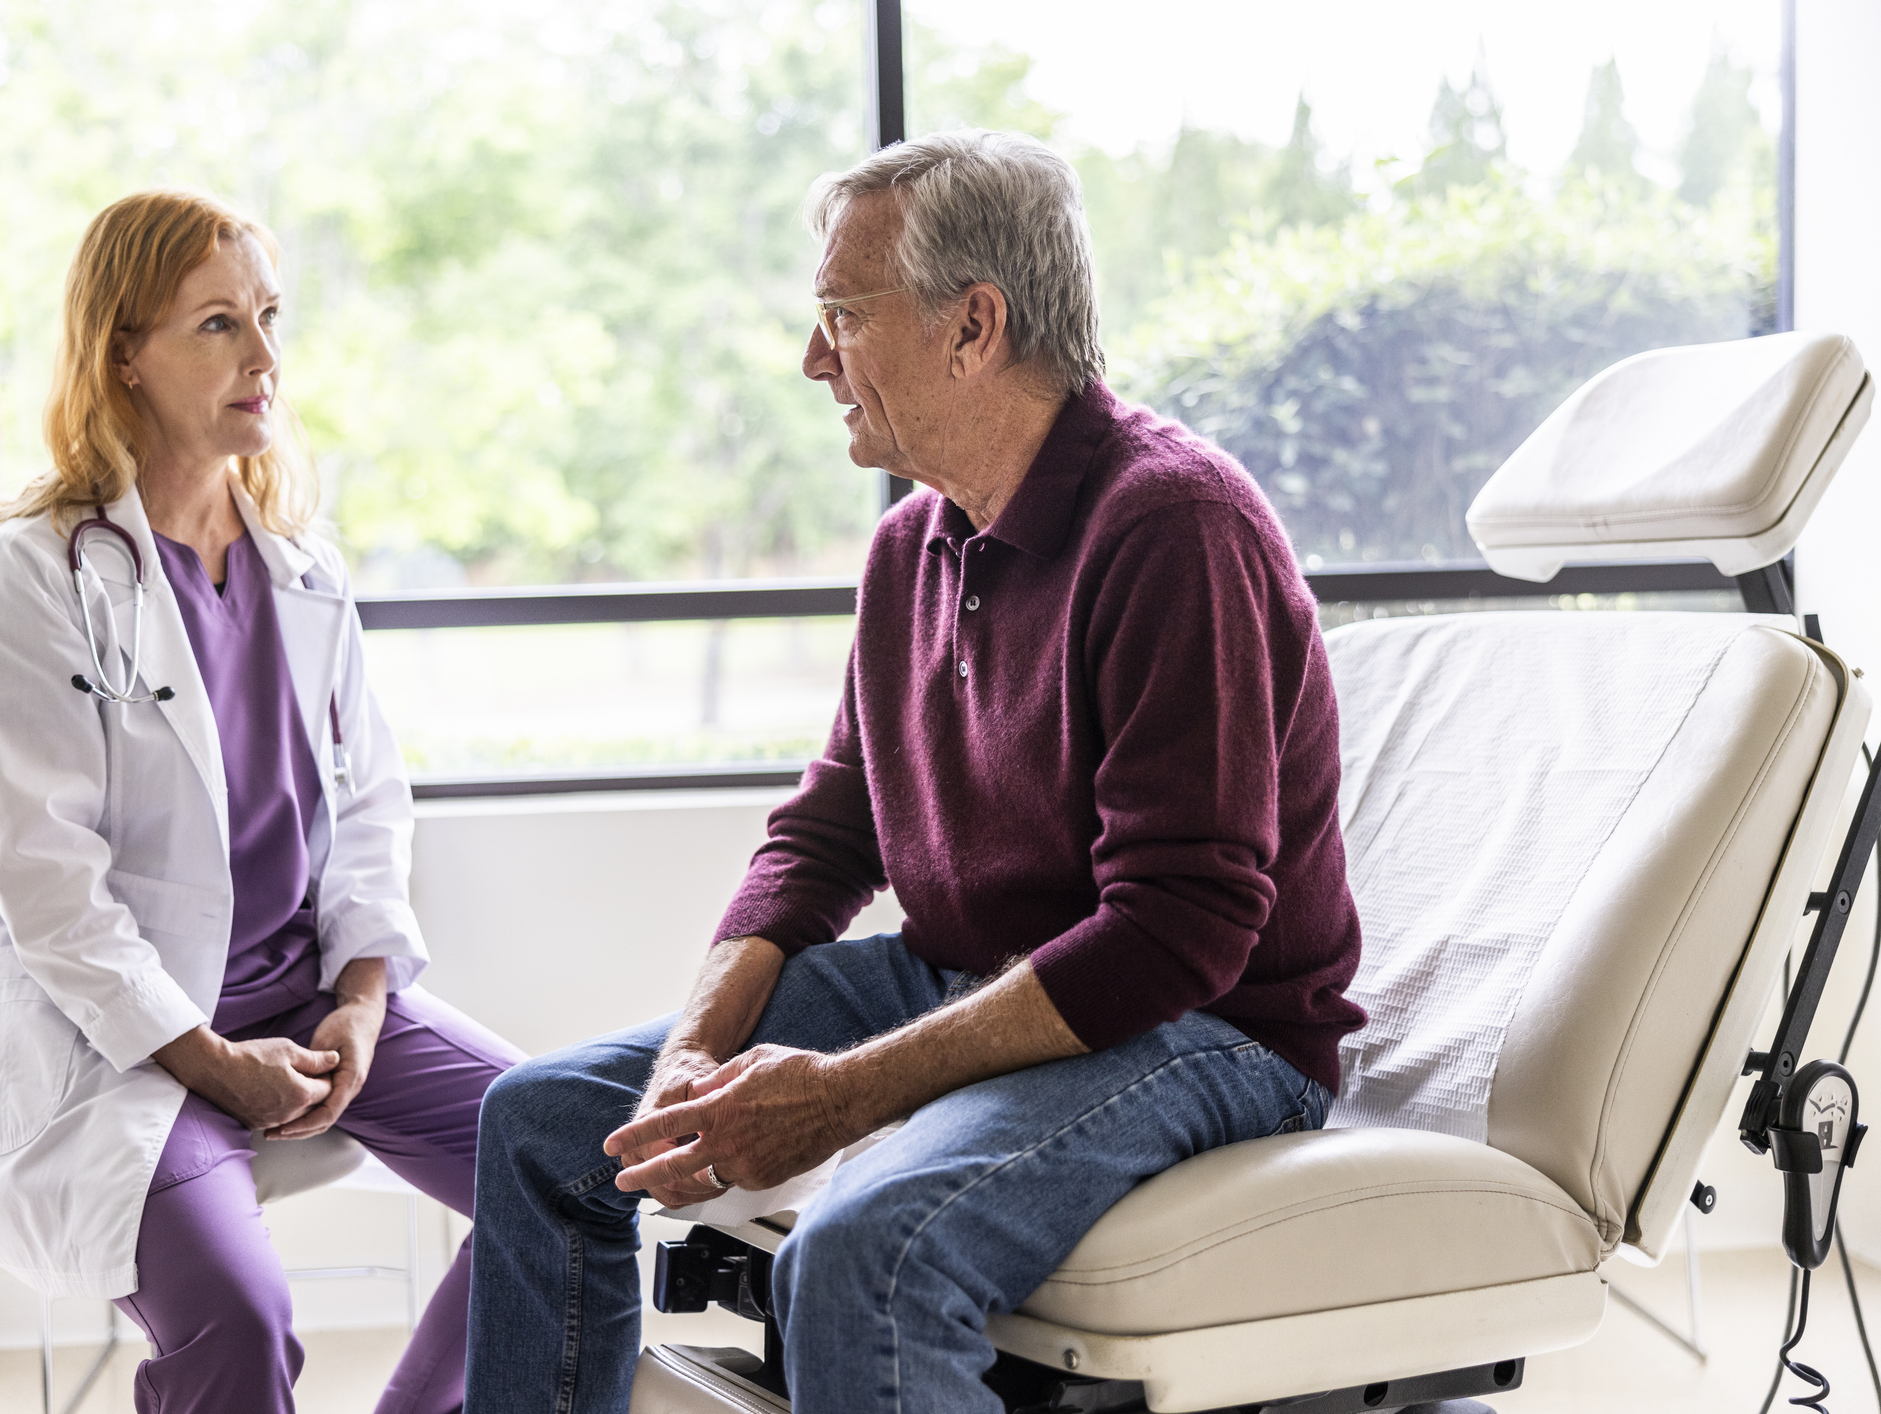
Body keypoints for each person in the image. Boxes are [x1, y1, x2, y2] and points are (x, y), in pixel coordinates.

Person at [462, 129, 1366, 1412]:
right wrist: (692, 1053)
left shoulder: (1174, 525)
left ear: (972, 325)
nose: (811, 356)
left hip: (1201, 1029)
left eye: (840, 313)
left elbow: (1179, 932)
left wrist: (839, 1097)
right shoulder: (911, 550)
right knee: (544, 1122)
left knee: (864, 1254)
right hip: (963, 974)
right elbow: (822, 841)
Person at [0, 189, 522, 1414]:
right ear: (122, 355)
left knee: (572, 1160)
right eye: (216, 325)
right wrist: (211, 1061)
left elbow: (367, 809)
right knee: (239, 1322)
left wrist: (359, 998)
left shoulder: (300, 565)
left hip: (306, 993)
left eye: (267, 316)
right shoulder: (33, 575)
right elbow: (50, 886)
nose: (265, 357)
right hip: (123, 1038)